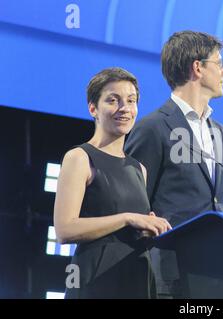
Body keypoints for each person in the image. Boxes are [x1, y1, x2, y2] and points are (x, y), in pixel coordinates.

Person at [125, 30, 223, 298]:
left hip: (219, 278)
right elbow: (132, 208)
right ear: (197, 68)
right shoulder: (153, 128)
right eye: (219, 63)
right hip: (171, 280)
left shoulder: (221, 133)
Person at [53, 67, 172, 299]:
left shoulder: (139, 169)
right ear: (93, 108)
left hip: (137, 277)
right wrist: (128, 218)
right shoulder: (79, 157)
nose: (124, 108)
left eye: (131, 100)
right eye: (113, 100)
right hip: (96, 280)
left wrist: (146, 229)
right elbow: (64, 229)